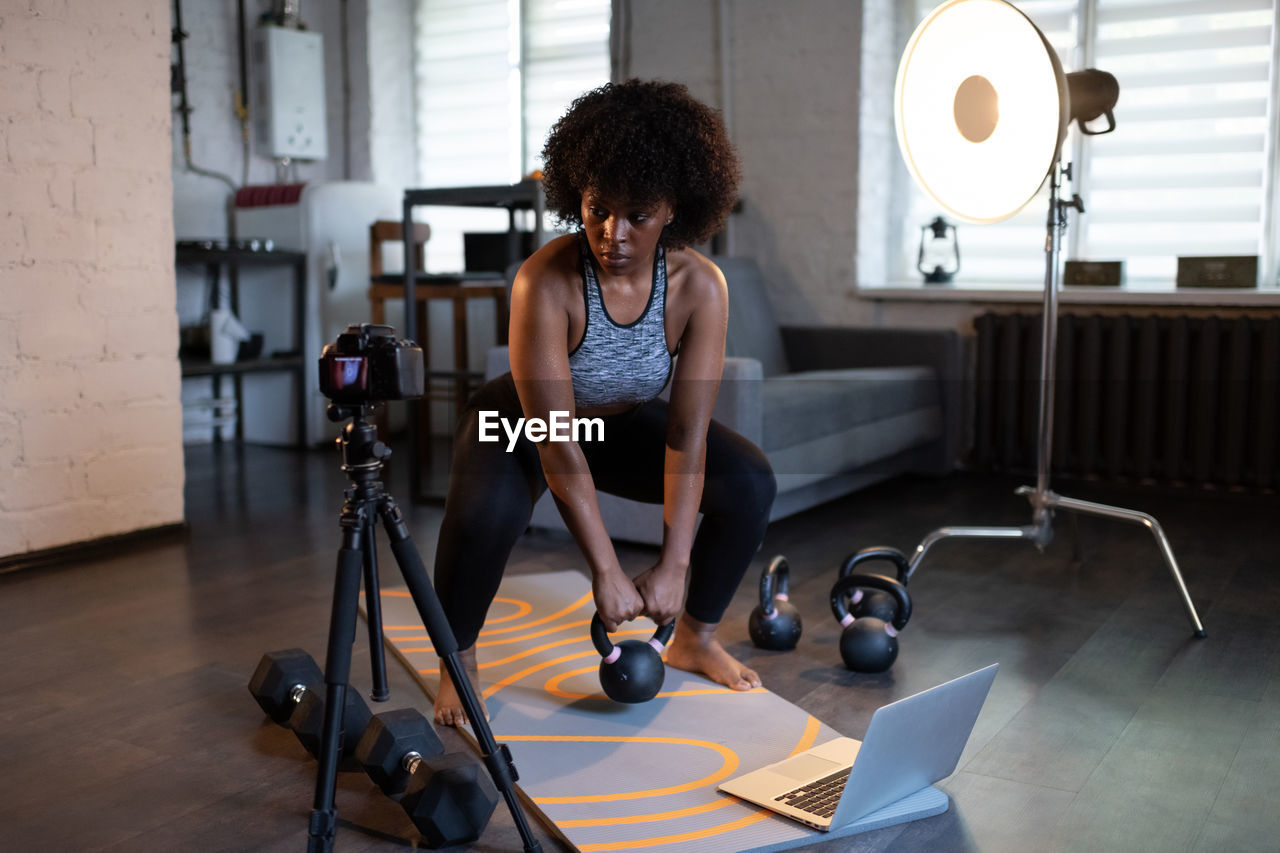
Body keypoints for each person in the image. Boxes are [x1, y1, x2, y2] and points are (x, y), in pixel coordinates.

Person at [431, 79, 776, 726]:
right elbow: (556, 440)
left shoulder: (700, 287)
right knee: (483, 515)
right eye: (597, 210)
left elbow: (685, 435)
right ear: (577, 197)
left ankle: (695, 637)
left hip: (616, 422)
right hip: (520, 424)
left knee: (750, 481)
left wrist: (674, 565)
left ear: (673, 208)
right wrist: (607, 570)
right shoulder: (546, 280)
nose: (612, 233)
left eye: (637, 216)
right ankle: (458, 658)